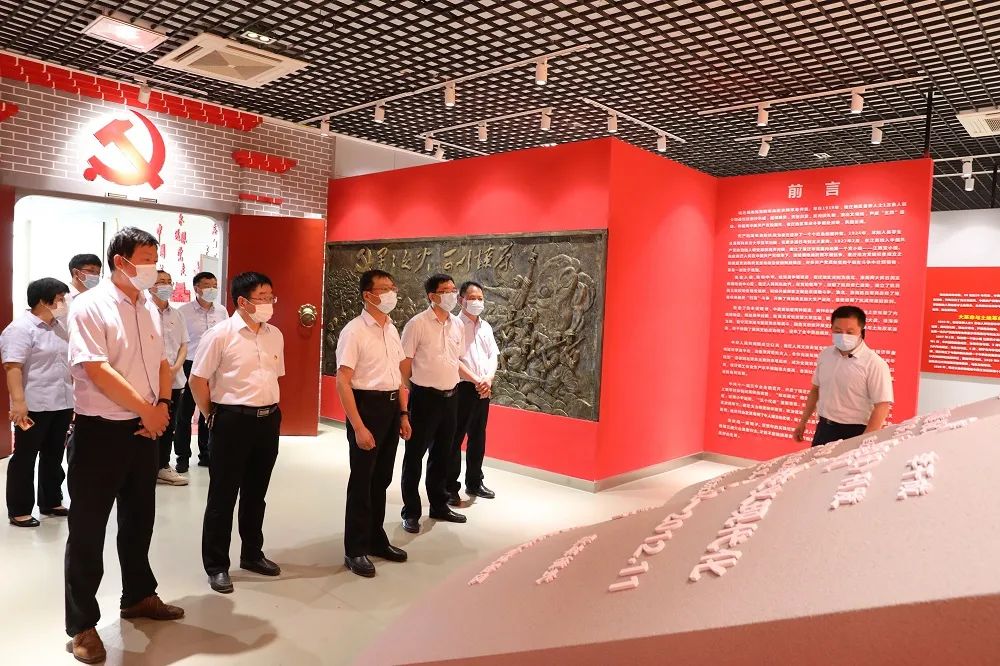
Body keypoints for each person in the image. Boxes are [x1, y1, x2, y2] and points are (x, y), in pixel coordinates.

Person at [64, 227, 184, 664]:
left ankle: (137, 595)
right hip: (100, 432)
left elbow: (162, 362)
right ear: (121, 261)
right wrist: (146, 410)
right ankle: (82, 624)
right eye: (146, 259)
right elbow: (97, 369)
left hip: (143, 431)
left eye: (155, 258)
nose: (153, 268)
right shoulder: (90, 305)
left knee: (139, 520)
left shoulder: (149, 306)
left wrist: (162, 405)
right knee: (88, 530)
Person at [190, 272, 284, 595]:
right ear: (242, 301)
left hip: (268, 419)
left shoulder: (274, 335)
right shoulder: (220, 335)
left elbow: (275, 376)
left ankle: (252, 553)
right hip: (232, 420)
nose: (269, 303)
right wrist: (211, 416)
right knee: (223, 495)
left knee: (257, 493)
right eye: (262, 297)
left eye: (271, 297)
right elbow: (197, 380)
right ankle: (217, 565)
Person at [336, 269, 412, 577]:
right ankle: (355, 549)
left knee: (381, 479)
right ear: (368, 295)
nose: (392, 293)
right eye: (384, 289)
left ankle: (375, 538)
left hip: (391, 408)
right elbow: (343, 382)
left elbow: (399, 376)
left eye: (393, 287)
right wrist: (358, 426)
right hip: (366, 408)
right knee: (362, 481)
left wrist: (403, 413)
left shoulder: (391, 328)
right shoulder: (354, 331)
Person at [399, 273, 468, 534]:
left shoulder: (457, 324)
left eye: (453, 289)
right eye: (446, 291)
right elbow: (404, 363)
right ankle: (411, 512)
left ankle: (439, 504)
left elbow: (457, 359)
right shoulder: (417, 324)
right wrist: (409, 391)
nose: (452, 295)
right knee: (414, 456)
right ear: (432, 296)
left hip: (451, 397)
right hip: (424, 398)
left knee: (442, 455)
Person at [2, 278, 73, 527]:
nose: (64, 303)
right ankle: (19, 509)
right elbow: (12, 367)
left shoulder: (59, 327)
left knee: (54, 454)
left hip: (62, 401)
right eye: (60, 298)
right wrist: (18, 403)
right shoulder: (20, 329)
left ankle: (51, 500)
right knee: (25, 456)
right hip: (34, 404)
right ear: (44, 300)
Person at [793, 306, 894, 447]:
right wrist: (803, 422)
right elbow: (816, 390)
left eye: (850, 332)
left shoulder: (874, 363)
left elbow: (882, 406)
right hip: (825, 428)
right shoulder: (825, 355)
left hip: (856, 431)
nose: (843, 336)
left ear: (861, 331)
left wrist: (865, 440)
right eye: (838, 331)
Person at [446, 281, 499, 505]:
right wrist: (476, 380)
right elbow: (453, 359)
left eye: (480, 298)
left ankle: (475, 481)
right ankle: (450, 487)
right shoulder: (453, 325)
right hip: (463, 387)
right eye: (472, 298)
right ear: (461, 300)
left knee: (478, 436)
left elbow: (493, 355)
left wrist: (488, 378)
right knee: (455, 438)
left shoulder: (485, 326)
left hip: (483, 387)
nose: (477, 302)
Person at [176, 271, 227, 471]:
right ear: (196, 288)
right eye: (207, 285)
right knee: (184, 414)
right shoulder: (183, 312)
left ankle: (206, 453)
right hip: (190, 364)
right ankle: (182, 456)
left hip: (213, 366)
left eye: (214, 285)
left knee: (210, 410)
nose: (211, 289)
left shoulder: (221, 311)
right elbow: (179, 341)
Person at [151, 270, 189, 487]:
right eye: (160, 282)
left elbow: (184, 344)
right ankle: (147, 467)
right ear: (150, 285)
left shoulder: (177, 314)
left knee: (168, 425)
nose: (166, 285)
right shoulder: (144, 311)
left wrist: (175, 368)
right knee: (149, 424)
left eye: (168, 282)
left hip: (175, 379)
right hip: (150, 381)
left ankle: (163, 466)